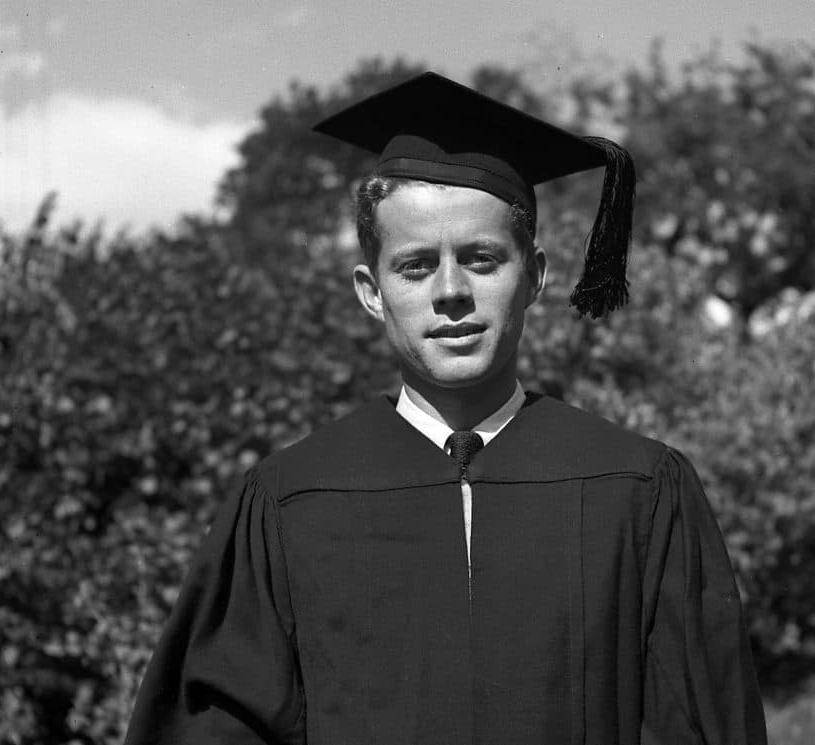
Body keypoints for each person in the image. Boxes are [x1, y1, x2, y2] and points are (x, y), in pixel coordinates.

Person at [124, 72, 767, 745]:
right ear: (372, 291)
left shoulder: (639, 489)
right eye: (416, 265)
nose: (451, 290)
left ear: (535, 277)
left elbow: (704, 725)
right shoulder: (288, 501)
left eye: (482, 259)